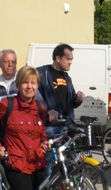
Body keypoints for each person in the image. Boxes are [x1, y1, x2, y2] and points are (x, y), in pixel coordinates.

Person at [36, 43, 84, 172]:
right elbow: (33, 98)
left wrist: (77, 99)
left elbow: (71, 103)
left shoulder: (67, 78)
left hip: (66, 125)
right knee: (49, 163)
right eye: (68, 59)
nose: (71, 62)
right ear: (58, 58)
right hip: (49, 127)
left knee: (67, 163)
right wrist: (47, 110)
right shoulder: (41, 73)